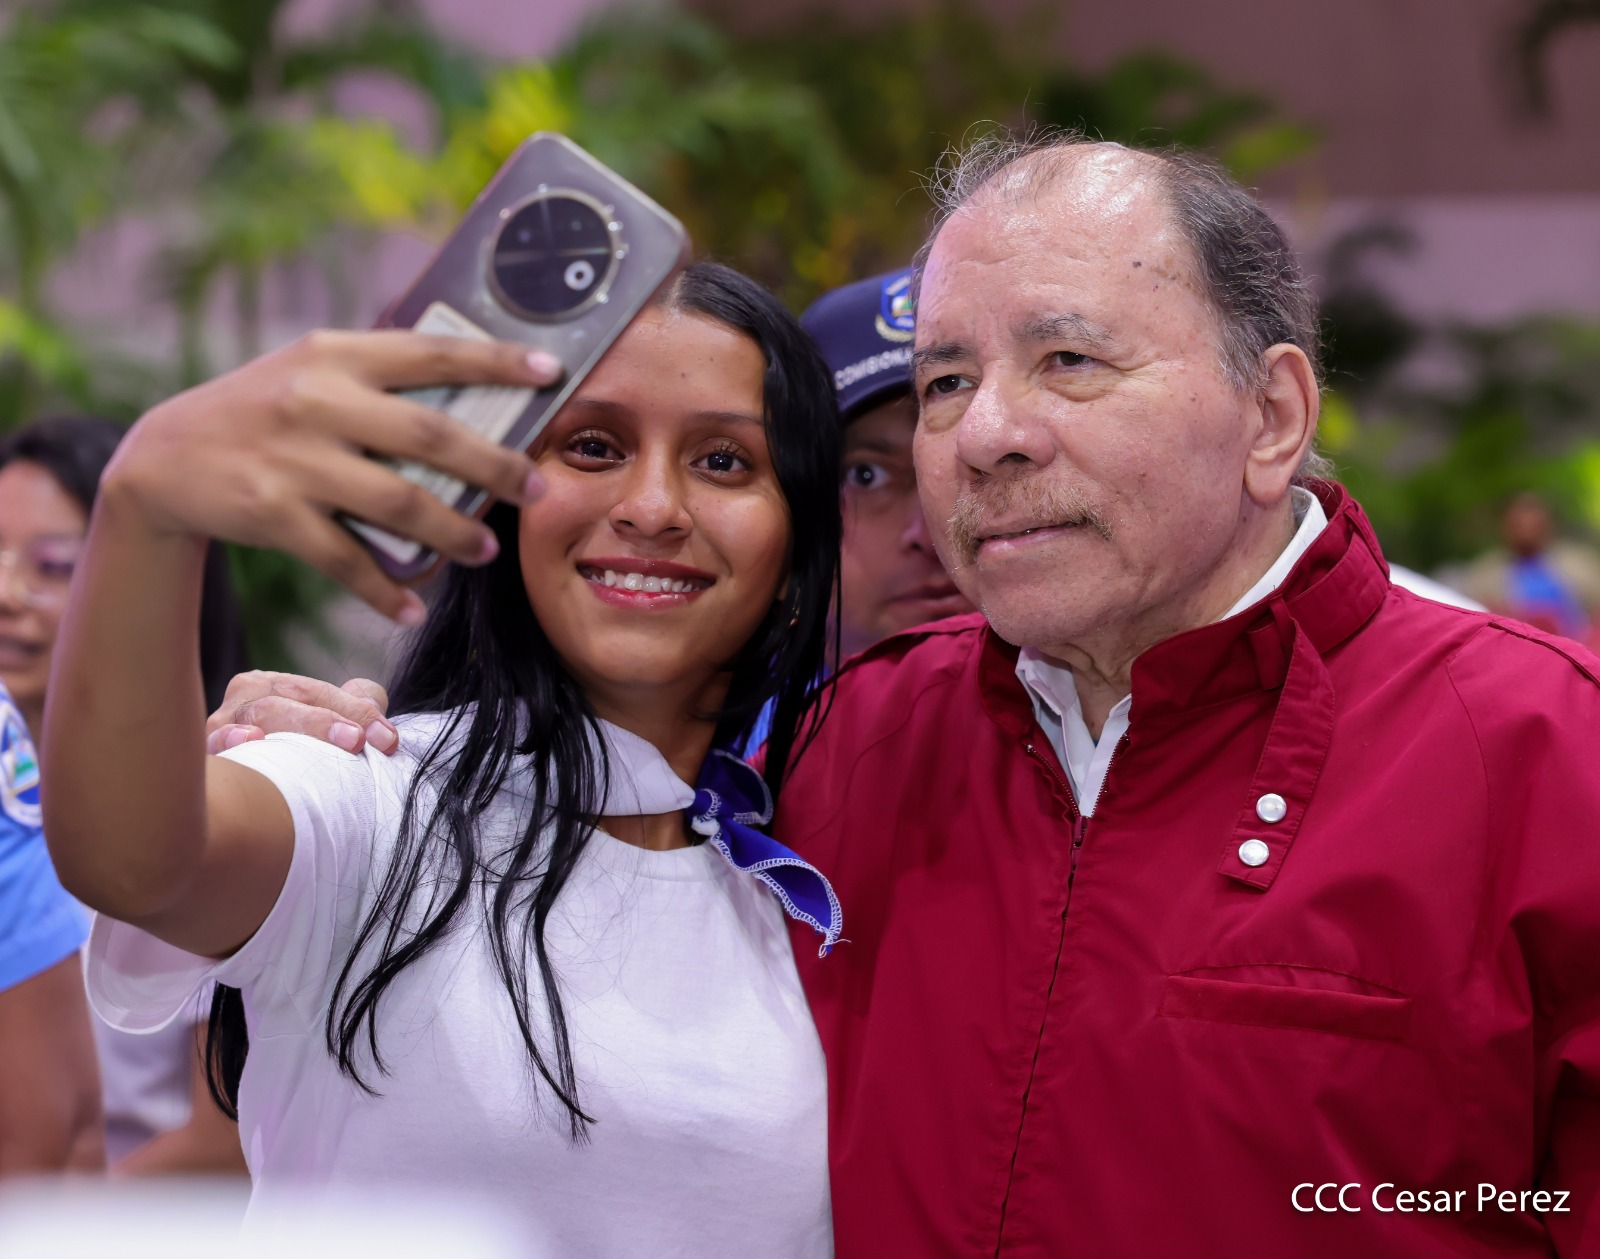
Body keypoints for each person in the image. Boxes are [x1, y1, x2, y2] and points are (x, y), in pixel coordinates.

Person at [44, 263, 842, 1256]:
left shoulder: (809, 890)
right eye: (592, 446)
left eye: (723, 461)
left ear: (796, 550)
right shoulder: (368, 789)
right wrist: (147, 506)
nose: (651, 505)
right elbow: (132, 858)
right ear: (497, 502)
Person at [0, 415, 251, 1175]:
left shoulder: (224, 810)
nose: (7, 594)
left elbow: (225, 1142)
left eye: (52, 565)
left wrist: (62, 1218)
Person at [1444, 491, 1600, 639]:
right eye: (1517, 523)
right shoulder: (1486, 572)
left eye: (1534, 522)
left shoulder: (1580, 563)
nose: (1526, 529)